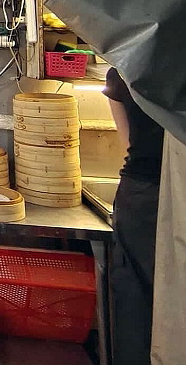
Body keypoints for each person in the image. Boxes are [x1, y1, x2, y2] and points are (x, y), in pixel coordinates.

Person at [104, 67, 164, 365]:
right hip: (151, 196)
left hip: (142, 195)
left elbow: (129, 143)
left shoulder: (125, 68)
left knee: (136, 307)